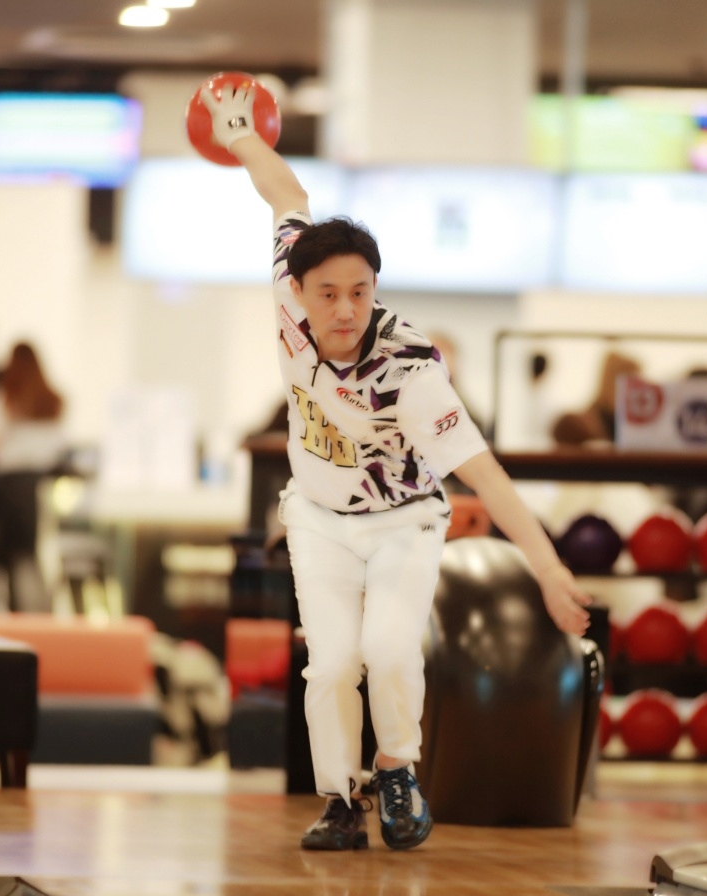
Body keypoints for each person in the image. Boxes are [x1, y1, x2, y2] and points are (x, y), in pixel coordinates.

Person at [203, 80, 591, 853]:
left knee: (385, 650)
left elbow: (485, 474)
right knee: (330, 664)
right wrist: (239, 133)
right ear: (299, 292)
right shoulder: (287, 297)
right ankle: (340, 801)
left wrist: (548, 571)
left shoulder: (410, 368)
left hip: (404, 520)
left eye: (360, 291)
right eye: (328, 295)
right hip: (318, 517)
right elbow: (286, 192)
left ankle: (397, 769)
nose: (345, 309)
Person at [0, 342, 66, 613]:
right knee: (31, 555)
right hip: (40, 485)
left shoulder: (1, 397)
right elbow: (60, 445)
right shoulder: (49, 400)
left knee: (8, 557)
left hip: (9, 485)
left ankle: (15, 611)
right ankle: (35, 612)